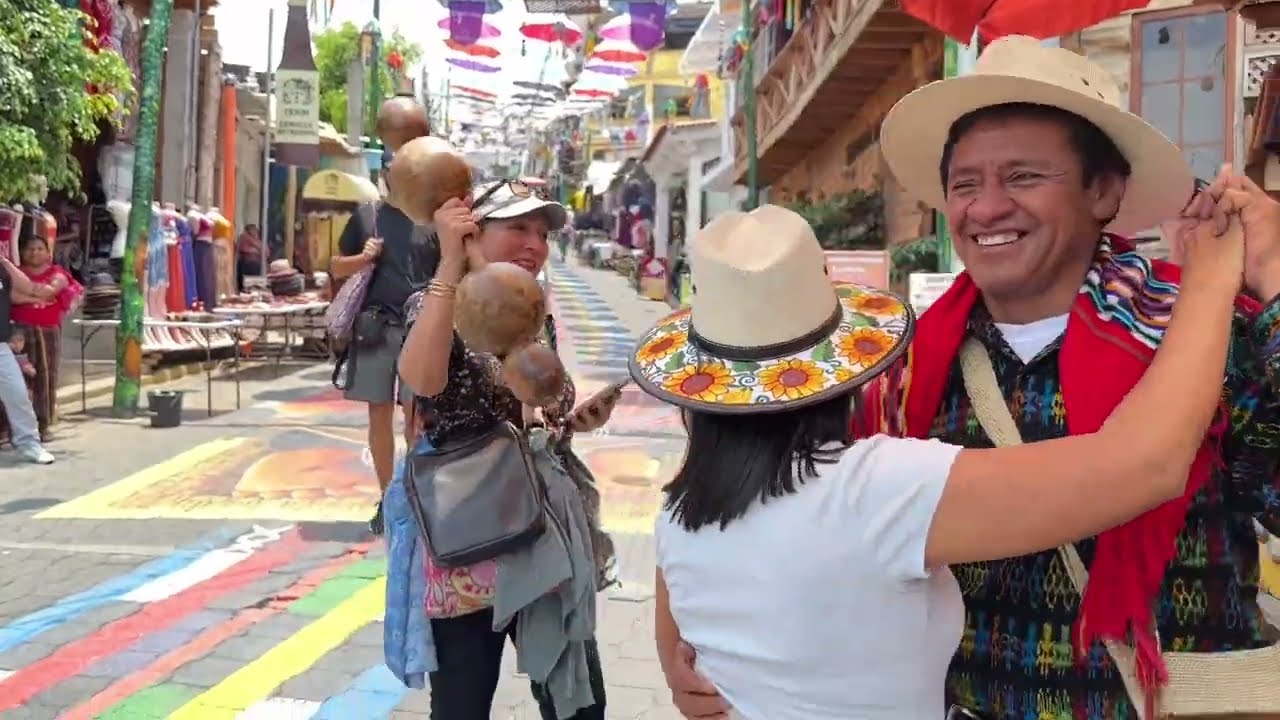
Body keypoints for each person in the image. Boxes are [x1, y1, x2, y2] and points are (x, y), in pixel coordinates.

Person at [663, 36, 1280, 720]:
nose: (986, 209)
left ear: (1103, 189)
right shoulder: (899, 373)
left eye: (1022, 177)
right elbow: (737, 491)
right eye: (965, 184)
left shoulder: (1207, 335)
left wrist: (1275, 286)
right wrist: (677, 648)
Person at [631, 196, 1240, 718]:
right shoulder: (877, 492)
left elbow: (683, 667)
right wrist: (1211, 277)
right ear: (840, 364)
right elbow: (1146, 464)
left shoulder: (678, 517)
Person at [392, 180, 621, 720]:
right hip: (466, 538)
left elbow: (536, 405)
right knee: (462, 705)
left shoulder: (532, 311)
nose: (534, 244)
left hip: (538, 532)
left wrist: (572, 421)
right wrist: (452, 268)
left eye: (541, 233)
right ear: (475, 229)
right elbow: (422, 381)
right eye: (518, 227)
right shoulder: (434, 303)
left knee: (579, 703)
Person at [331, 150, 438, 535]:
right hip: (376, 328)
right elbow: (334, 266)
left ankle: (413, 494)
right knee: (379, 415)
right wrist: (363, 257)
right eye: (395, 169)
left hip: (419, 328)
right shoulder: (367, 216)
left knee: (415, 417)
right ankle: (387, 498)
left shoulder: (430, 220)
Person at [12, 234, 82, 441]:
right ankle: (19, 427)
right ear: (22, 252)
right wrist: (34, 296)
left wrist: (29, 296)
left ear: (48, 252)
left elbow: (52, 289)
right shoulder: (15, 273)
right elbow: (13, 296)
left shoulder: (57, 272)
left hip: (48, 330)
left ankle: (43, 425)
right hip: (19, 332)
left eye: (39, 248)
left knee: (46, 376)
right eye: (30, 249)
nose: (34, 253)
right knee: (21, 379)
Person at [0, 255, 54, 464]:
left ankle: (28, 443)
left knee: (17, 393)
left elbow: (28, 288)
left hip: (1, 347)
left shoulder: (3, 272)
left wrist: (5, 262)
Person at [235, 224, 261, 290]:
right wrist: (256, 249)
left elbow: (266, 251)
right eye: (252, 230)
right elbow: (243, 249)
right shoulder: (243, 237)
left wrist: (255, 247)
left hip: (256, 266)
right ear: (247, 231)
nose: (255, 232)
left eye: (255, 230)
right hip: (245, 264)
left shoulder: (258, 240)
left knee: (254, 285)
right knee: (244, 285)